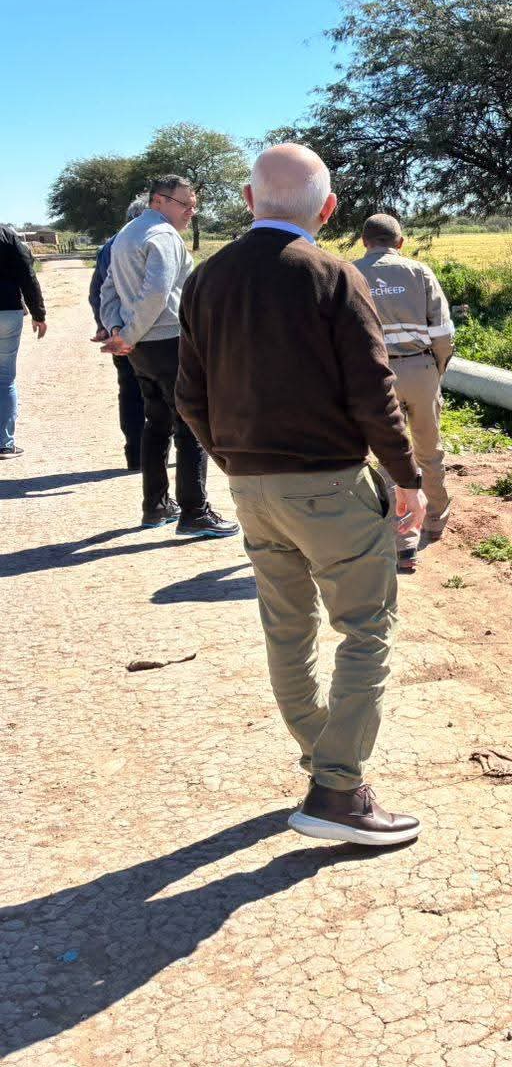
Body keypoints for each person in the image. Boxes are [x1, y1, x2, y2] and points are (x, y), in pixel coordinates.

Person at [177, 143, 426, 847]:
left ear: (251, 203)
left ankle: (325, 765)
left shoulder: (206, 280)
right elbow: (374, 394)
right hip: (330, 486)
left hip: (251, 488)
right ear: (327, 209)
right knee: (365, 629)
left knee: (287, 632)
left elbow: (188, 394)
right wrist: (408, 478)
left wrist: (233, 459)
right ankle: (338, 790)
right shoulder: (333, 275)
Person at [102, 176, 237, 536]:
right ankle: (194, 512)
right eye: (185, 204)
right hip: (168, 341)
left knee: (156, 422)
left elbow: (109, 287)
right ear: (159, 201)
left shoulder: (127, 234)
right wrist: (125, 334)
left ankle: (156, 505)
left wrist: (118, 331)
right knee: (191, 424)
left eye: (194, 205)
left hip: (141, 349)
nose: (191, 212)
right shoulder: (162, 236)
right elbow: (157, 294)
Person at [352, 214, 455, 574]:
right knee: (429, 448)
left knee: (386, 452)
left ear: (364, 242)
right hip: (421, 369)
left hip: (375, 376)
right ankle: (434, 521)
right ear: (401, 242)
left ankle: (398, 537)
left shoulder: (349, 273)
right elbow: (443, 332)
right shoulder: (419, 272)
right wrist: (434, 369)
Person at [89, 198, 148, 470]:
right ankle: (164, 452)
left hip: (120, 330)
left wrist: (104, 325)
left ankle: (135, 454)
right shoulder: (156, 240)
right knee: (167, 393)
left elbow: (98, 291)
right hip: (154, 332)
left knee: (129, 391)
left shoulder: (108, 247)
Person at [0, 223, 46, 458]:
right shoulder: (7, 235)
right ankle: (4, 444)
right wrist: (38, 314)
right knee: (5, 379)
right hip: (7, 310)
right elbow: (27, 274)